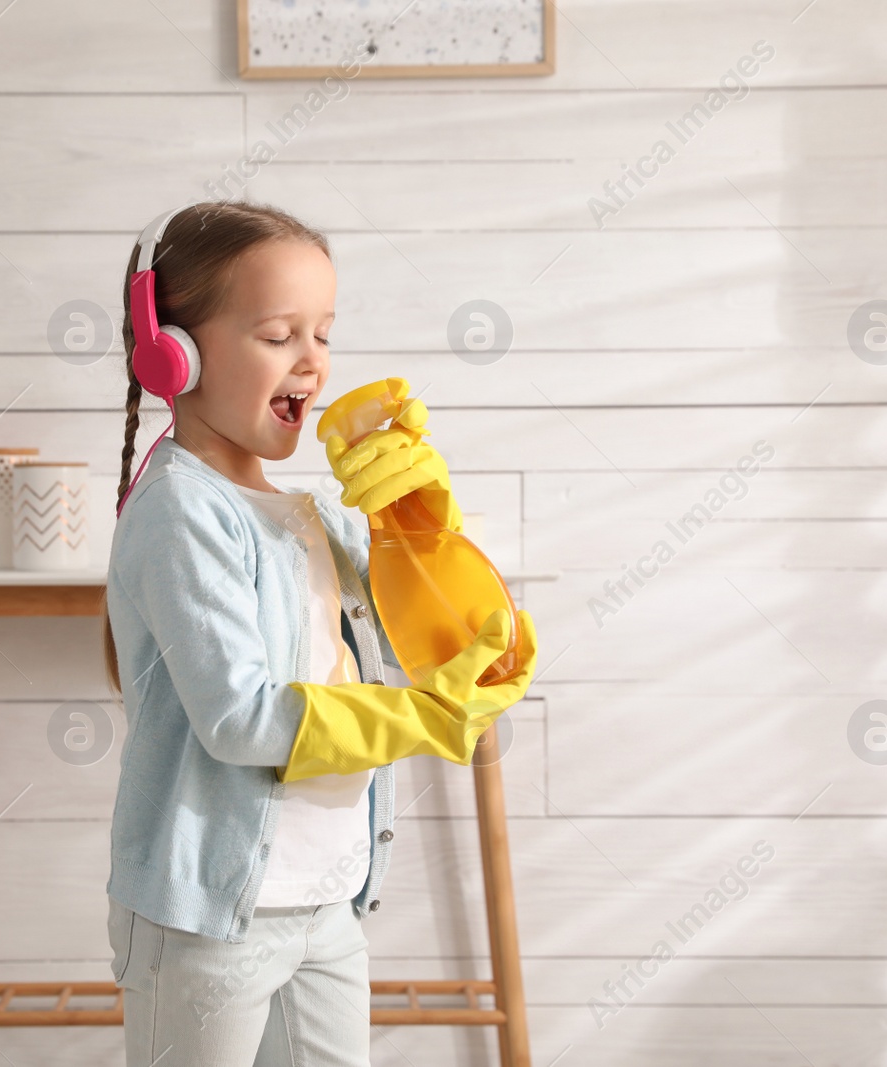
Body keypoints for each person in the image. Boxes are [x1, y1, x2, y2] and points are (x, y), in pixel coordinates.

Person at [100, 200, 538, 1066]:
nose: (313, 360)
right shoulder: (183, 513)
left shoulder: (315, 516)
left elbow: (439, 637)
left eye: (324, 334)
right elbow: (242, 720)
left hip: (327, 904)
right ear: (172, 354)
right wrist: (416, 718)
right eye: (278, 334)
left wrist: (418, 524)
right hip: (210, 922)